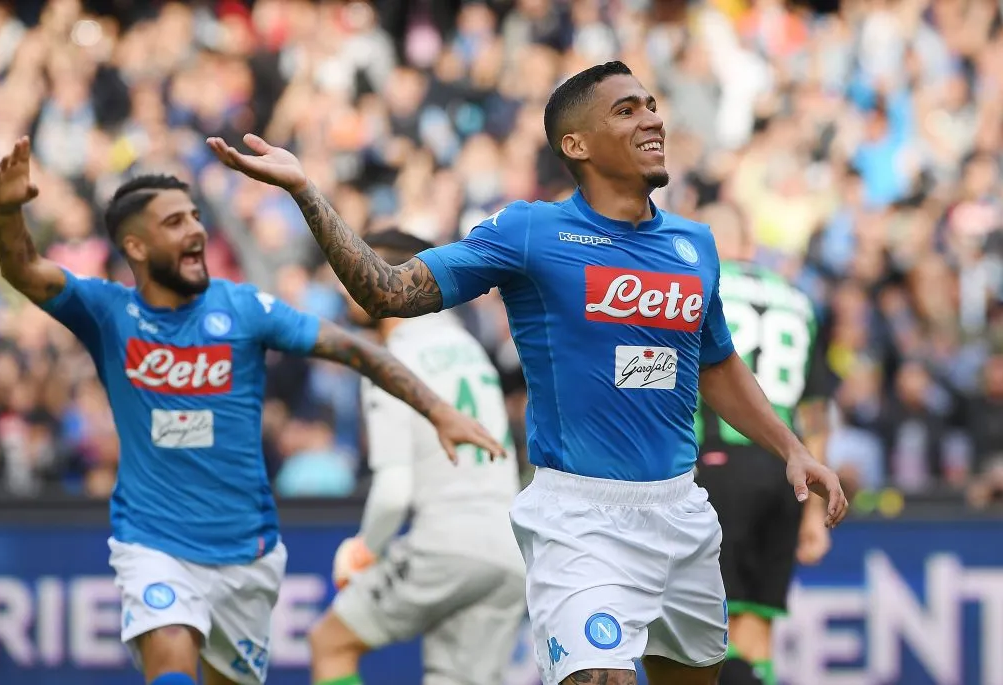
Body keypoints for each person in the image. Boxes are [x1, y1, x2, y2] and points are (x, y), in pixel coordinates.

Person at [207, 60, 848, 685]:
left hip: (682, 510)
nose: (651, 118)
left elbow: (716, 365)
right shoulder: (531, 233)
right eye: (626, 110)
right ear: (577, 144)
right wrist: (306, 191)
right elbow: (388, 292)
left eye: (651, 105)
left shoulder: (693, 245)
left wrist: (792, 449)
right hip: (581, 517)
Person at [0, 137, 502, 685]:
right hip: (152, 541)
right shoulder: (108, 312)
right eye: (174, 223)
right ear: (135, 247)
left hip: (245, 553)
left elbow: (358, 349)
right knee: (169, 653)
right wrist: (8, 210)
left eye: (194, 216)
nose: (195, 231)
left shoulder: (244, 308)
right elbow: (25, 270)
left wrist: (436, 410)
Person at [307, 228, 527, 685]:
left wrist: (363, 550)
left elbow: (393, 491)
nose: (346, 286)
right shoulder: (469, 347)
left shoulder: (394, 358)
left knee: (330, 644)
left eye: (354, 272)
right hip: (510, 550)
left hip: (446, 542)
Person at [692, 203, 833, 685]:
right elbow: (816, 414)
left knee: (706, 632)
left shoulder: (697, 287)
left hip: (716, 462)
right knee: (757, 629)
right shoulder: (798, 300)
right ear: (749, 244)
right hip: (787, 473)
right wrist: (815, 510)